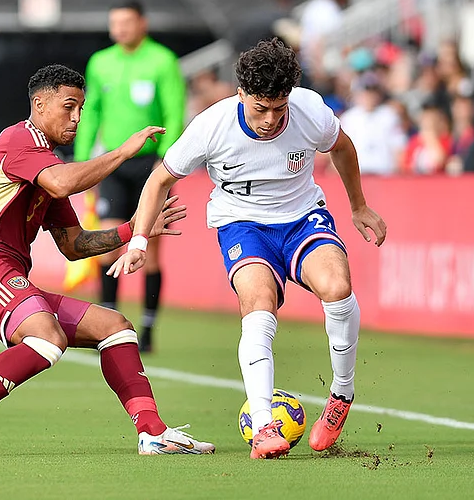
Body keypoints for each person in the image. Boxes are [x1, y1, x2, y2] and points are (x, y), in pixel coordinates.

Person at [0, 64, 214, 458]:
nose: (76, 118)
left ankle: (152, 431)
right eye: (68, 107)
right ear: (39, 104)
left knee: (115, 327)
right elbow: (63, 183)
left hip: (6, 271)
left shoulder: (48, 164)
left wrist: (135, 228)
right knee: (46, 337)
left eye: (81, 109)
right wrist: (123, 151)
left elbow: (75, 246)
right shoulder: (18, 141)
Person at [108, 39, 387, 459]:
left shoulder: (309, 109)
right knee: (258, 304)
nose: (271, 119)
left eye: (280, 108)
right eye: (261, 108)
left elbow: (342, 147)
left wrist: (359, 206)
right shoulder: (211, 125)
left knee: (337, 286)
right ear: (241, 93)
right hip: (243, 224)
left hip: (301, 217)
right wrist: (140, 240)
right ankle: (263, 427)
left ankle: (341, 396)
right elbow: (159, 179)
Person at [73, 0, 186, 353]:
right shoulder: (100, 62)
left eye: (126, 21)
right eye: (114, 22)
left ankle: (149, 328)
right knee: (108, 244)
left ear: (142, 23)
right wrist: (81, 165)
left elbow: (174, 111)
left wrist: (168, 162)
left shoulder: (162, 60)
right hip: (113, 165)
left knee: (149, 248)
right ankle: (108, 325)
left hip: (151, 166)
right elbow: (90, 113)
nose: (119, 28)